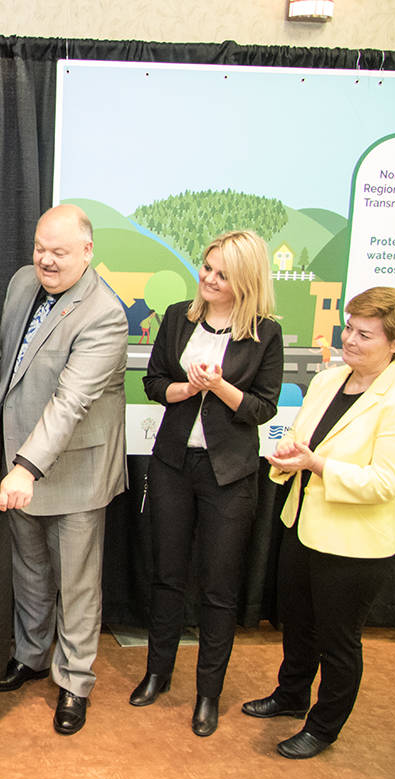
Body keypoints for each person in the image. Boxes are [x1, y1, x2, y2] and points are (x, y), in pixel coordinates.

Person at [245, 286, 395, 759]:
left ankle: (323, 727)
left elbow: (385, 483)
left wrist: (316, 465)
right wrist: (288, 456)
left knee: (338, 641)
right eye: (349, 327)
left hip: (356, 546)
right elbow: (302, 439)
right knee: (298, 623)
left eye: (365, 334)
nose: (349, 339)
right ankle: (291, 695)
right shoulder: (329, 380)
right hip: (303, 525)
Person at [130, 230, 283, 737]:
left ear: (246, 281)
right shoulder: (178, 317)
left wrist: (218, 386)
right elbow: (153, 384)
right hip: (173, 464)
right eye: (207, 267)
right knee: (167, 575)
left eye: (223, 274)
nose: (210, 279)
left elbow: (263, 408)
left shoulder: (265, 333)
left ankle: (208, 694)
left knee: (219, 588)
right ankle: (157, 673)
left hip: (229, 474)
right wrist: (187, 387)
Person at [0, 204, 127, 735]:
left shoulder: (105, 314)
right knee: (29, 570)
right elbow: (4, 358)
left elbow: (70, 403)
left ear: (87, 252)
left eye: (58, 252)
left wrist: (25, 467)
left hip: (72, 469)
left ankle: (75, 682)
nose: (45, 260)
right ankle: (31, 656)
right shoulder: (22, 282)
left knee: (76, 583)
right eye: (40, 248)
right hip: (17, 459)